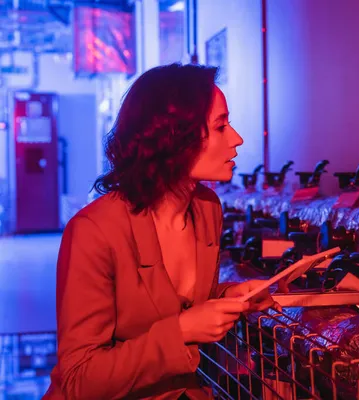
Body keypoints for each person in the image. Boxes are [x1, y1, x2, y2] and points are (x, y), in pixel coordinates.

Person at [43, 63, 276, 400]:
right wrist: (180, 332)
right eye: (221, 126)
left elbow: (171, 304)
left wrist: (231, 298)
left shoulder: (206, 207)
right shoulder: (93, 231)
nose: (237, 139)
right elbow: (81, 379)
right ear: (173, 137)